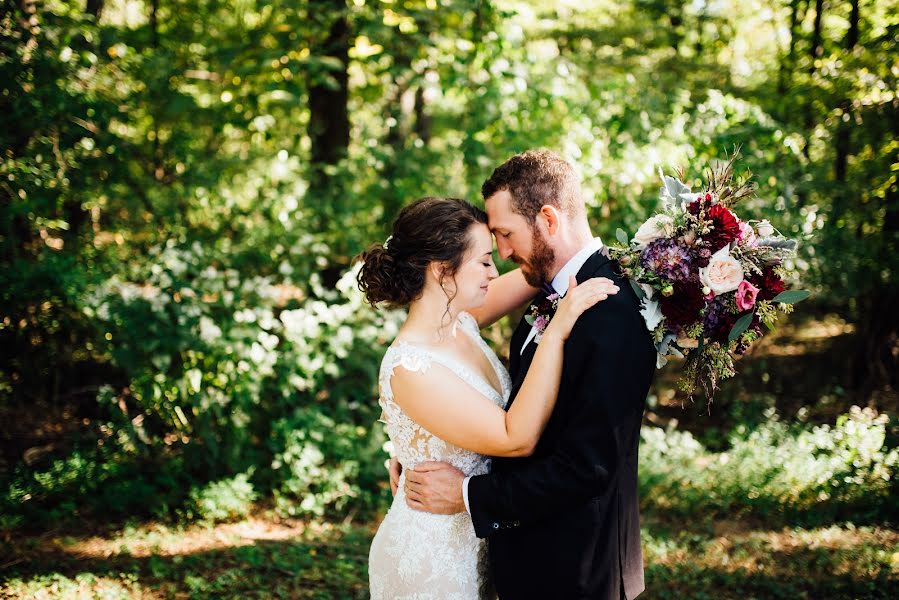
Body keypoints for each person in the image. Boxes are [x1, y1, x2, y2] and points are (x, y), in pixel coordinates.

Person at [398, 150, 657, 599]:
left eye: (505, 234)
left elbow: (587, 468)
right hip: (526, 561)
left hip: (577, 571)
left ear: (549, 220)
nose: (501, 252)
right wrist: (418, 443)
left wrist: (467, 493)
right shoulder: (552, 292)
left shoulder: (609, 312)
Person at [359, 196, 619, 599]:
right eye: (483, 261)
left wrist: (667, 248)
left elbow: (547, 267)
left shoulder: (462, 320)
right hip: (433, 558)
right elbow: (515, 437)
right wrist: (558, 329)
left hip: (483, 540)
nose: (494, 270)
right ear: (442, 270)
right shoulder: (409, 368)